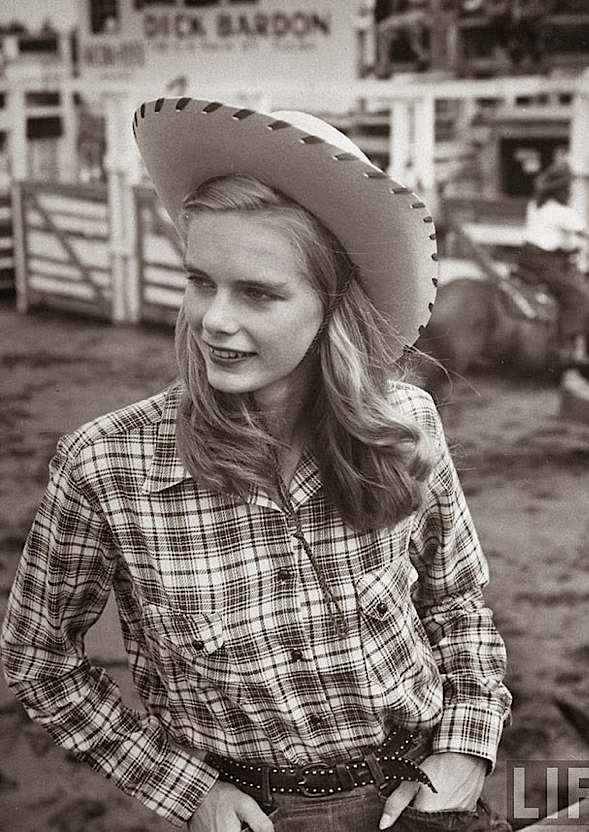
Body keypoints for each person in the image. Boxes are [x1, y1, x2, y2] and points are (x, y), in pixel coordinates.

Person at [1, 99, 511, 832]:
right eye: (200, 281)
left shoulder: (405, 422)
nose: (213, 320)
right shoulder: (105, 468)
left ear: (334, 307)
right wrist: (185, 790)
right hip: (255, 816)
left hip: (423, 795)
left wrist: (466, 745)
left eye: (258, 293)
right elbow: (39, 660)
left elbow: (457, 602)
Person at [517, 160, 589, 366]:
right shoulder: (561, 212)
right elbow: (588, 234)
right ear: (560, 190)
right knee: (576, 294)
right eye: (568, 188)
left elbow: (548, 236)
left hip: (527, 259)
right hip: (545, 263)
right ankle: (570, 347)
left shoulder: (536, 204)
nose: (570, 192)